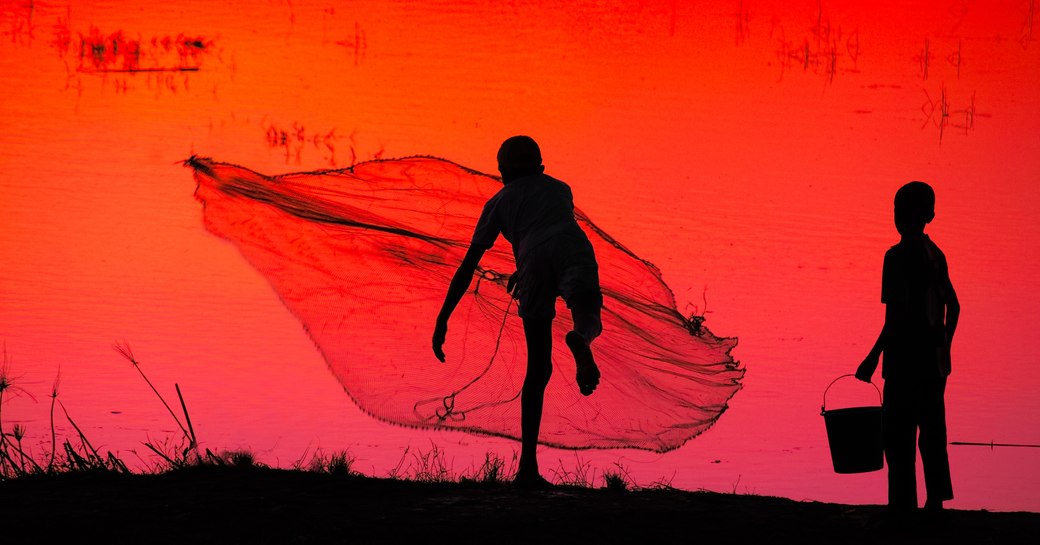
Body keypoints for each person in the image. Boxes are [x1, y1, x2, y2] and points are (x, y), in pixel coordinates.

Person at [432, 135, 603, 488]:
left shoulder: (498, 201)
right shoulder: (561, 189)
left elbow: (469, 266)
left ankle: (527, 467)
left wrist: (443, 316)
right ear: (541, 167)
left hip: (532, 260)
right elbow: (550, 230)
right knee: (588, 313)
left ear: (502, 171)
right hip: (573, 246)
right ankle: (581, 339)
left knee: (538, 369)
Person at [856, 181, 960, 513]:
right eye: (898, 210)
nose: (900, 217)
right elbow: (954, 307)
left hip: (904, 362)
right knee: (932, 433)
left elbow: (897, 316)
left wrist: (873, 357)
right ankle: (935, 504)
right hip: (934, 362)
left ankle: (903, 509)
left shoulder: (897, 257)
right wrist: (944, 346)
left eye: (902, 211)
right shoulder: (936, 255)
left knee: (898, 436)